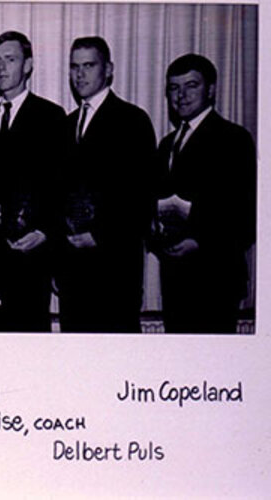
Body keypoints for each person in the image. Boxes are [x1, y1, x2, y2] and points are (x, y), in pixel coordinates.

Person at [56, 36, 156, 333]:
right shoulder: (67, 123)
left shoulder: (132, 120)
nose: (80, 74)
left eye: (89, 65)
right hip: (72, 271)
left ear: (108, 70)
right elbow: (58, 193)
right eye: (74, 67)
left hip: (115, 271)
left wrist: (99, 236)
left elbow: (141, 196)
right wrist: (58, 259)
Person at [151, 54, 255, 333]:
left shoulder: (234, 139)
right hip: (174, 278)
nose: (181, 95)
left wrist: (200, 242)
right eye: (174, 87)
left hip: (215, 277)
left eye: (191, 85)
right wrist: (155, 236)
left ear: (211, 89)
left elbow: (246, 215)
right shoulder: (166, 144)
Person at [0, 31, 66, 331]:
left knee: (29, 340)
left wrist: (46, 232)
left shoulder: (52, 117)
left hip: (32, 254)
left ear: (28, 65)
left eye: (10, 60)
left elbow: (60, 184)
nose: (1, 68)